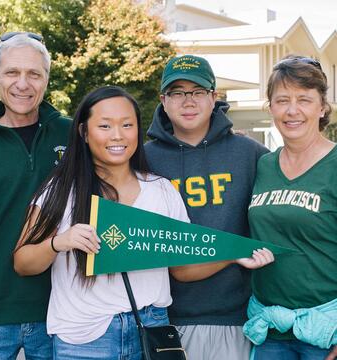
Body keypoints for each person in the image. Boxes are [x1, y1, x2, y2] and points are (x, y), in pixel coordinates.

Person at [13, 86, 190, 360]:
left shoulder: (162, 190)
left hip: (151, 327)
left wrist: (237, 255)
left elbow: (183, 265)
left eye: (127, 125)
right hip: (85, 337)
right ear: (84, 132)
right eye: (105, 125)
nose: (117, 135)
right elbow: (23, 263)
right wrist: (59, 242)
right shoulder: (60, 189)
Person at [144, 54, 273, 360]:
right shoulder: (143, 159)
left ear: (214, 97)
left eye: (198, 91)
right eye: (177, 92)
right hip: (164, 320)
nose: (188, 101)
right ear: (163, 100)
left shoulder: (250, 153)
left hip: (236, 320)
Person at [0, 32, 71, 359]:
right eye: (12, 72)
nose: (23, 83)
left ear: (46, 79)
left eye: (34, 73)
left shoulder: (73, 135)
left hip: (59, 312)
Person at [244, 55, 337, 360]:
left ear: (322, 107)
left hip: (325, 331)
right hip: (270, 330)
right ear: (270, 107)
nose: (292, 110)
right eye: (282, 100)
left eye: (304, 100)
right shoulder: (263, 165)